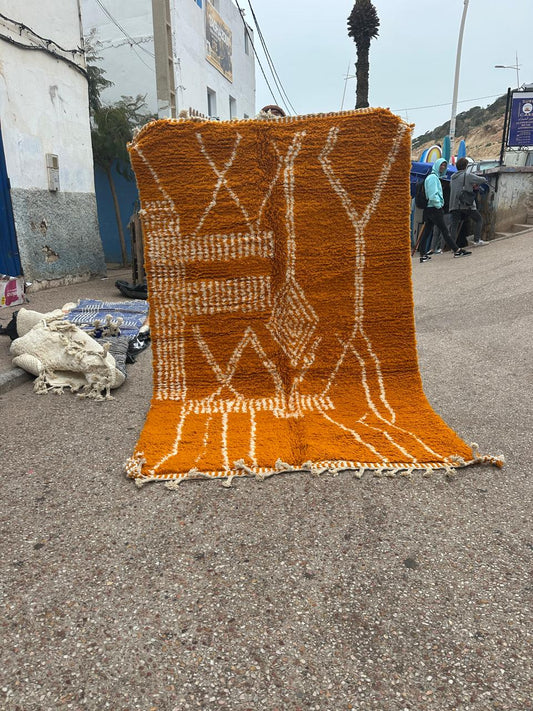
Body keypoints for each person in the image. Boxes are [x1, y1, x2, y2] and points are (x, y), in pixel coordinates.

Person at [420, 158, 471, 262]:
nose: (443, 167)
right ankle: (457, 250)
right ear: (437, 165)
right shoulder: (433, 178)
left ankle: (423, 254)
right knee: (444, 230)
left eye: (444, 165)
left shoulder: (433, 177)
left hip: (430, 209)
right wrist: (439, 205)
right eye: (441, 165)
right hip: (434, 208)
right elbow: (433, 195)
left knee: (427, 232)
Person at [449, 157, 489, 247]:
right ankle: (477, 240)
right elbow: (482, 180)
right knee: (478, 219)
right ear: (466, 166)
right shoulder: (467, 175)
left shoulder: (452, 178)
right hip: (466, 204)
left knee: (454, 225)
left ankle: (453, 246)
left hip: (454, 205)